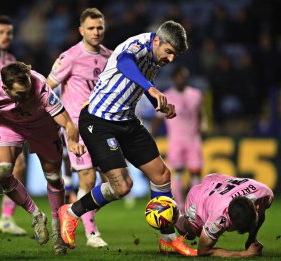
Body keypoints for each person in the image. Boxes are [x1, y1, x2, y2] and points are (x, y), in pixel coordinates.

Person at [57, 20, 197, 256]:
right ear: (157, 41)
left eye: (175, 55)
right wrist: (152, 90)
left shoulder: (155, 56)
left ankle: (168, 238)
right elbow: (125, 64)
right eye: (169, 52)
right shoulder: (136, 46)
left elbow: (141, 82)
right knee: (122, 186)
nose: (171, 59)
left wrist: (157, 102)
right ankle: (70, 212)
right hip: (98, 121)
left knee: (162, 174)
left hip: (126, 121)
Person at [0, 61, 85, 255]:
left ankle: (58, 234)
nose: (26, 96)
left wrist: (72, 141)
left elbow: (66, 121)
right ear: (5, 88)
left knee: (54, 179)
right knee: (2, 173)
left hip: (43, 128)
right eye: (20, 94)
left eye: (27, 92)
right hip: (11, 126)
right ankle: (36, 214)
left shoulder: (39, 86)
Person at [47, 7, 112, 248]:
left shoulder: (110, 57)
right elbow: (46, 87)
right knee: (88, 177)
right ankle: (92, 234)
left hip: (105, 126)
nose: (96, 32)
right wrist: (59, 119)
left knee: (117, 182)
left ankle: (73, 209)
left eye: (100, 27)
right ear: (81, 30)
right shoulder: (70, 56)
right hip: (78, 126)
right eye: (91, 28)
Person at [0, 15, 27, 236]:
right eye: (1, 32)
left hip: (5, 124)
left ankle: (6, 218)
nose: (5, 36)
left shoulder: (11, 61)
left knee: (18, 165)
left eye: (9, 33)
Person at [174, 173, 273, 257]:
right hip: (197, 197)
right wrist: (244, 254)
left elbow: (261, 212)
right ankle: (175, 215)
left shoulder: (264, 193)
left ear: (256, 206)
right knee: (192, 232)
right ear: (231, 223)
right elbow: (203, 250)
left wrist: (251, 239)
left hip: (218, 180)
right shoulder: (219, 218)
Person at [152, 66, 206, 213]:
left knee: (195, 171)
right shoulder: (167, 96)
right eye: (178, 76)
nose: (181, 79)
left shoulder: (196, 94)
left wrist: (202, 128)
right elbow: (158, 118)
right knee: (178, 172)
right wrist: (151, 135)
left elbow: (200, 113)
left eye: (183, 76)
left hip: (193, 138)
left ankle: (195, 205)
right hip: (176, 139)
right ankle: (180, 206)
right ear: (174, 78)